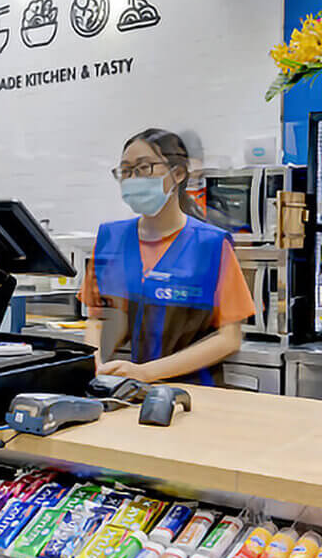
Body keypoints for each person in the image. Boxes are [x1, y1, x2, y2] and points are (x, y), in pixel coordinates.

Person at [80, 128, 256, 386]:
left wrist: (147, 373)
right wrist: (95, 360)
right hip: (125, 389)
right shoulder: (111, 239)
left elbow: (228, 337)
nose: (133, 178)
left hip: (195, 393)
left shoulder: (210, 244)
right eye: (126, 171)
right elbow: (99, 317)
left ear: (178, 174)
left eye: (144, 168)